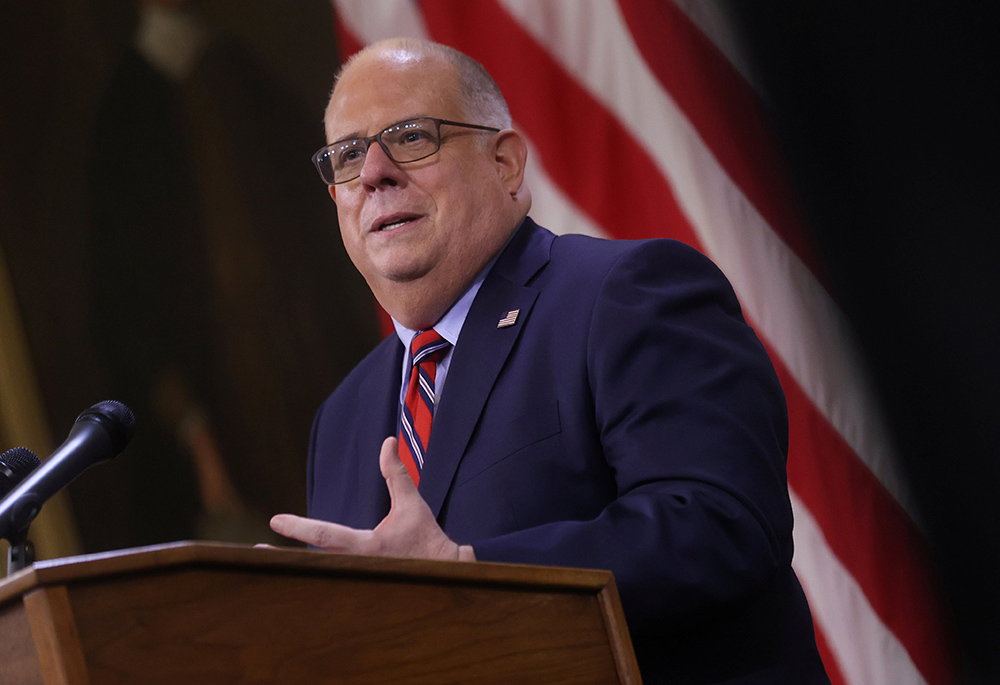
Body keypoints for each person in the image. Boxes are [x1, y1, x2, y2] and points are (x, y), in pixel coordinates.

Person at [269, 38, 829, 683]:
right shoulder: (341, 420)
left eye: (411, 136)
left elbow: (721, 525)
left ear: (505, 163)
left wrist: (470, 575)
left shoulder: (628, 293)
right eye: (346, 156)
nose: (373, 173)